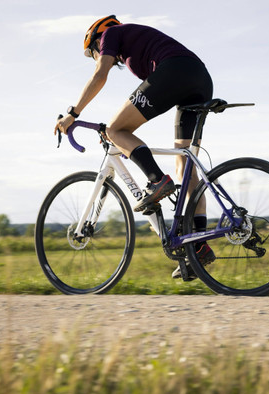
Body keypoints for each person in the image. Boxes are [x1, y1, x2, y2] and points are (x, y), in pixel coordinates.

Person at [54, 15, 215, 279]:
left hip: (174, 70)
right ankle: (198, 246)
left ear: (97, 40)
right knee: (185, 166)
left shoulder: (110, 35)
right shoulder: (134, 44)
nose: (96, 57)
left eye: (93, 53)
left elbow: (100, 76)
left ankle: (157, 180)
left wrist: (73, 113)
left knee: (116, 129)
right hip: (198, 77)